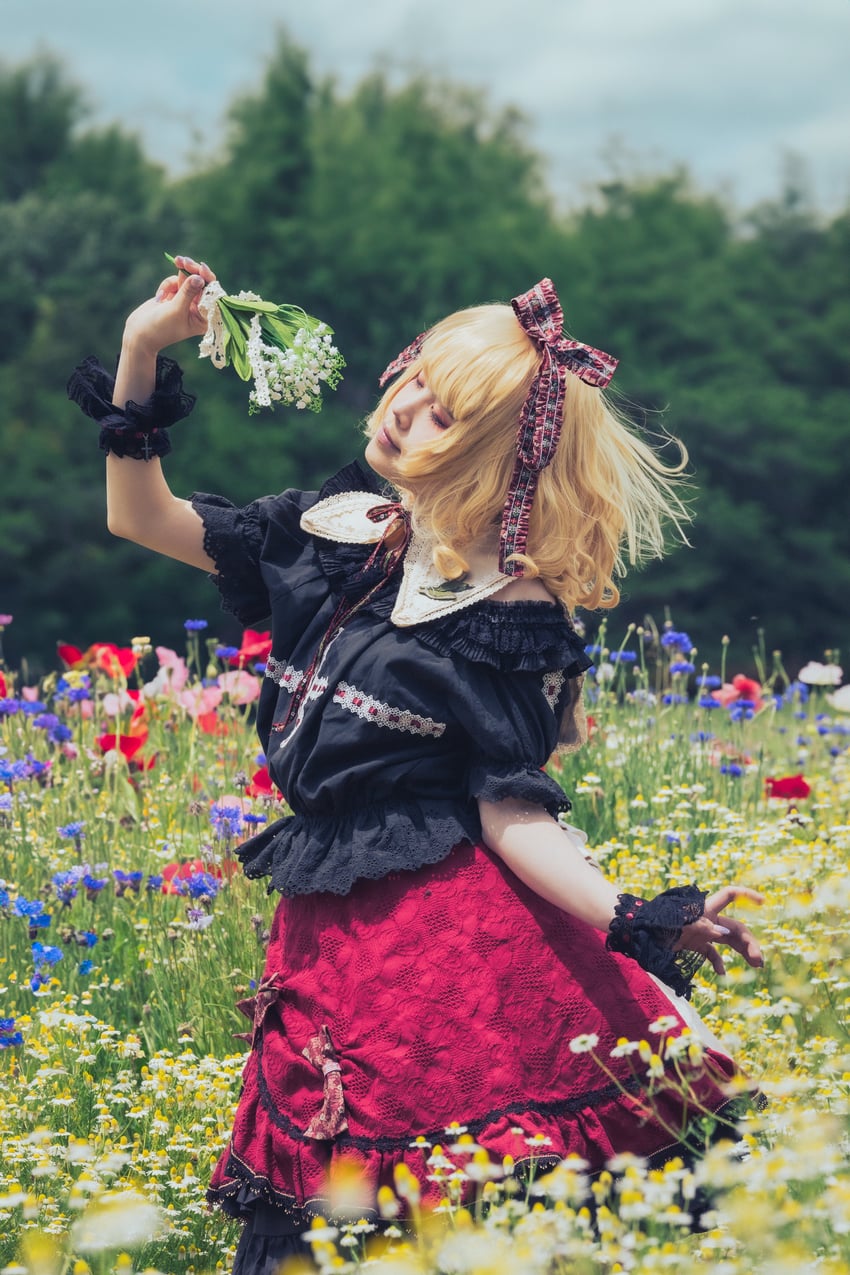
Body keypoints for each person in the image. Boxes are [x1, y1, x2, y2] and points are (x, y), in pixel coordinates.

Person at [69, 257, 763, 1272]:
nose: (404, 411)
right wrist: (141, 347)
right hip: (329, 942)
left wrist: (632, 915)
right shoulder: (326, 533)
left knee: (481, 1217)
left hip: (458, 958)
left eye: (446, 413)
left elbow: (513, 812)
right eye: (415, 381)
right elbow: (140, 515)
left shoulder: (508, 607)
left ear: (494, 454)